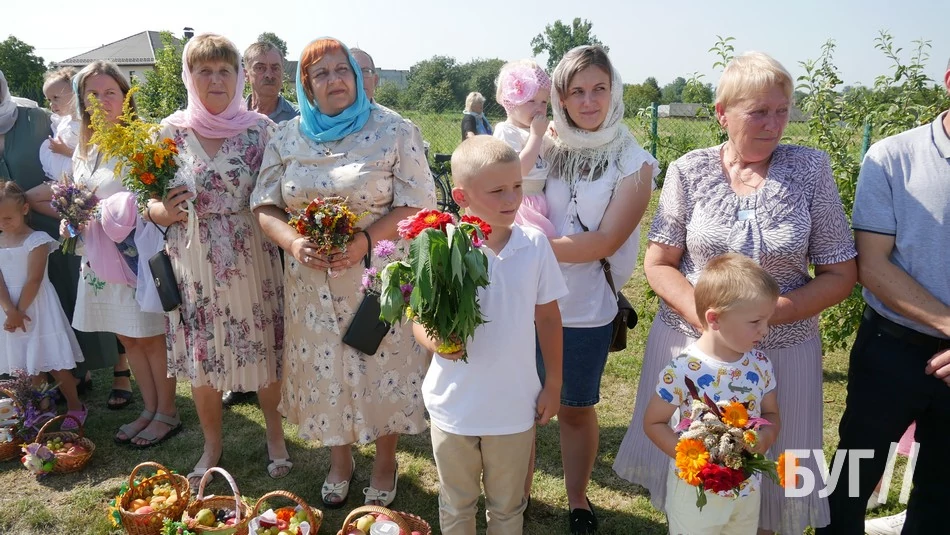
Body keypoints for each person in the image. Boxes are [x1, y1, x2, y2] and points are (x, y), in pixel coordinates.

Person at [613, 51, 858, 535]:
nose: (774, 124)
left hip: (782, 355)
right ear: (723, 113)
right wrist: (711, 323)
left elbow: (840, 273)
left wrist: (764, 317)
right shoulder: (690, 170)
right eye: (758, 111)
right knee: (697, 472)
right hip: (695, 352)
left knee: (771, 477)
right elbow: (659, 263)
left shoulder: (811, 170)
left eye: (782, 111)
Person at [252, 37, 435, 509]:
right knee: (327, 371)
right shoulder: (286, 137)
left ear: (356, 76)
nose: (334, 80)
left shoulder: (395, 130)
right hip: (310, 284)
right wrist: (293, 242)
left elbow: (418, 202)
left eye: (342, 70)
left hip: (377, 281)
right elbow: (264, 205)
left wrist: (364, 242)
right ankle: (340, 460)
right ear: (306, 85)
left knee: (383, 369)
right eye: (322, 73)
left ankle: (385, 462)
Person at [816, 58, 950, 535]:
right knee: (853, 473)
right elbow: (872, 265)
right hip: (891, 348)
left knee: (941, 492)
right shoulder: (893, 157)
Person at [149, 33, 290, 486]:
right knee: (202, 356)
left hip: (253, 256)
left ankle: (275, 436)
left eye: (224, 70)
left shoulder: (263, 131)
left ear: (238, 76)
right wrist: (160, 211)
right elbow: (145, 200)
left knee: (265, 349)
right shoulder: (167, 134)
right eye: (204, 70)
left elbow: (283, 195)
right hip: (191, 260)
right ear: (188, 77)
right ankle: (212, 444)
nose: (215, 80)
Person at [414, 136, 565, 535]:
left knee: (508, 507)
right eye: (497, 191)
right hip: (453, 406)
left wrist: (554, 382)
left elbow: (548, 318)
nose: (512, 198)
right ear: (461, 196)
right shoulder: (440, 245)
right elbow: (417, 317)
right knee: (456, 504)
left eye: (517, 186)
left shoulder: (534, 245)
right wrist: (435, 341)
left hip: (514, 406)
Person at [540, 45, 658, 534]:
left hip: (585, 308)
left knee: (574, 407)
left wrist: (525, 248)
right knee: (520, 405)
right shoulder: (547, 146)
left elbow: (606, 241)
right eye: (577, 92)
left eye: (599, 89)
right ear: (561, 98)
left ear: (614, 91)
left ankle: (577, 499)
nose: (589, 102)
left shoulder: (634, 162)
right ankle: (512, 497)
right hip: (527, 302)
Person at [70, 61, 179, 449]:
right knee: (127, 337)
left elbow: (156, 193)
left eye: (110, 93)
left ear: (124, 97)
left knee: (149, 336)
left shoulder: (143, 138)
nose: (102, 101)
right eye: (93, 95)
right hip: (99, 257)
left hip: (135, 257)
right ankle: (149, 409)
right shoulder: (85, 147)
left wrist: (107, 209)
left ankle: (167, 412)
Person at [0, 69, 120, 401]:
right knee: (29, 302)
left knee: (74, 293)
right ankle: (46, 383)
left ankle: (111, 370)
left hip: (54, 221)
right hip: (8, 232)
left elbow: (78, 150)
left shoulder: (37, 118)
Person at [643, 253, 781, 535]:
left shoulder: (760, 364)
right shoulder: (683, 369)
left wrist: (764, 439)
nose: (765, 330)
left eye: (767, 320)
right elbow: (653, 422)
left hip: (746, 488)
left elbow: (771, 413)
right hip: (695, 492)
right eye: (756, 321)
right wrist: (693, 459)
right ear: (714, 319)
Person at [0, 181, 85, 428]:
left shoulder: (37, 240)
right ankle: (41, 407)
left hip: (37, 307)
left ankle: (75, 406)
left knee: (54, 362)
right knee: (29, 365)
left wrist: (20, 311)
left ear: (25, 209)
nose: (3, 224)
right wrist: (10, 310)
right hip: (9, 310)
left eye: (8, 218)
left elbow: (34, 279)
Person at [493, 59, 556, 238]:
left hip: (540, 199)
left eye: (543, 102)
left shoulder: (535, 130)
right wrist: (536, 136)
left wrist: (552, 135)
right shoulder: (507, 131)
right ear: (511, 102)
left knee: (544, 243)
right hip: (521, 203)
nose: (539, 108)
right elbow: (518, 171)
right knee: (534, 242)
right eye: (531, 101)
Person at [243, 41, 299, 125]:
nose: (269, 75)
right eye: (260, 68)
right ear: (246, 75)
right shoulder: (232, 117)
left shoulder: (299, 119)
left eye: (275, 68)